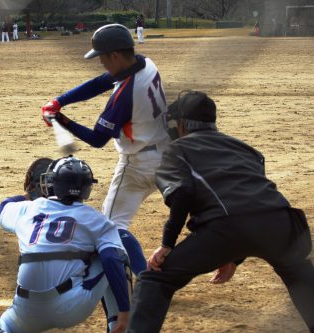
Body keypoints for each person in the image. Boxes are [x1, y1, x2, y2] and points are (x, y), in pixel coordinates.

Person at [127, 91, 314, 333]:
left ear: (181, 124)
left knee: (156, 279)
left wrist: (167, 244)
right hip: (281, 222)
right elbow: (252, 198)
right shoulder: (245, 148)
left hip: (227, 226)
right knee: (298, 272)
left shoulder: (178, 150)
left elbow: (182, 193)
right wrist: (233, 255)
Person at [41, 24, 170, 276]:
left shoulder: (125, 95)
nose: (100, 62)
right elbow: (102, 82)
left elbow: (97, 139)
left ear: (115, 56)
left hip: (137, 166)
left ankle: (145, 282)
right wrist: (60, 101)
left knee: (109, 226)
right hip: (168, 156)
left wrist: (61, 120)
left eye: (102, 57)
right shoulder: (145, 64)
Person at [0, 156, 130, 333]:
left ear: (51, 183)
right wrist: (124, 310)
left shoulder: (28, 209)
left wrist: (28, 196)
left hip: (26, 310)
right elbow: (112, 259)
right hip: (72, 307)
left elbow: (3, 207)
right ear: (87, 188)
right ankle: (119, 326)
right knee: (114, 252)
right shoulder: (97, 220)